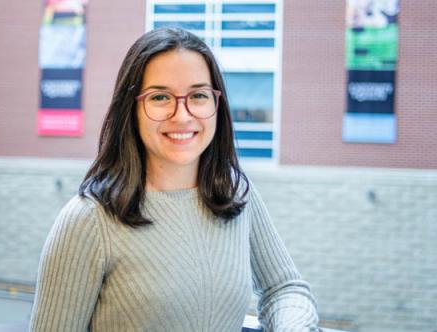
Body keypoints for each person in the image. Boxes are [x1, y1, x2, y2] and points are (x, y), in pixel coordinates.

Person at [29, 27, 319, 331]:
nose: (182, 116)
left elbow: (284, 288)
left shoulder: (234, 192)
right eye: (160, 97)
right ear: (132, 109)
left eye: (198, 95)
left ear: (216, 105)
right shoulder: (88, 220)